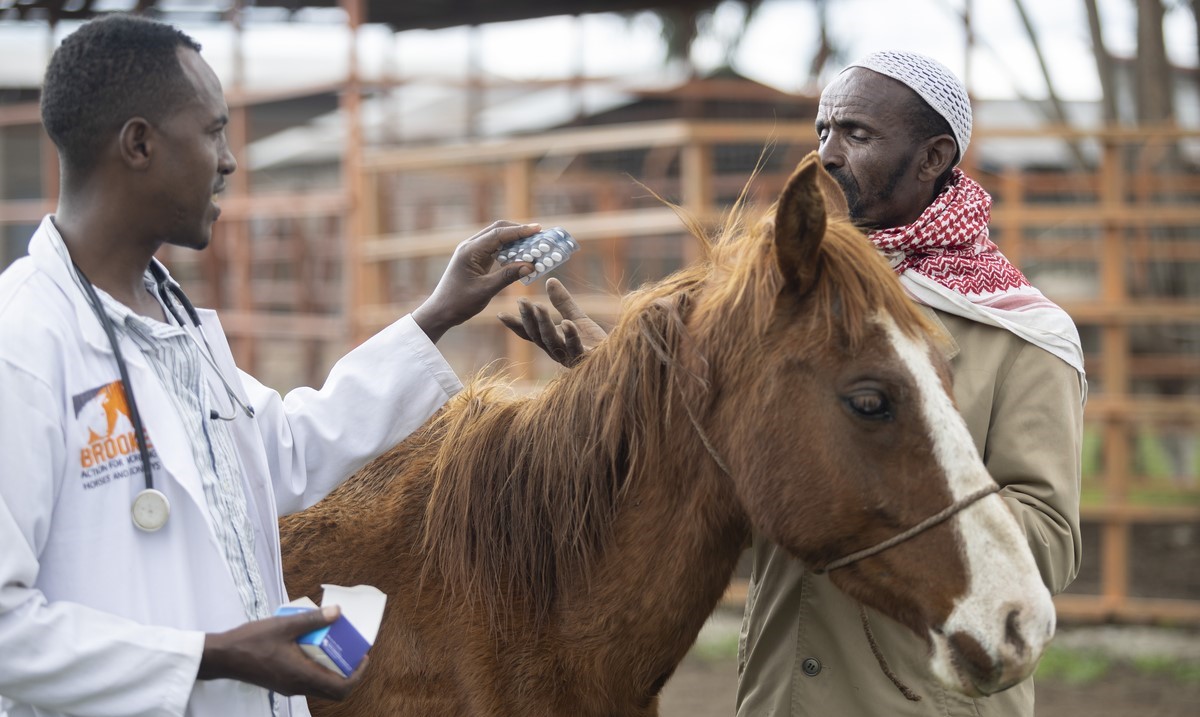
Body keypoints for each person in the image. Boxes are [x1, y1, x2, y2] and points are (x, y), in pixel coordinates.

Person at [502, 51, 1085, 716]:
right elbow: (728, 477)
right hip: (780, 693)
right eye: (822, 132)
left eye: (857, 135)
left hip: (922, 696)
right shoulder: (792, 306)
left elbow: (1050, 539)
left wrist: (889, 494)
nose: (828, 155)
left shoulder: (1023, 333)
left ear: (933, 157)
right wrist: (633, 388)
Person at [0, 14, 539, 717]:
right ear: (139, 144)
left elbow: (281, 449)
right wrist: (213, 654)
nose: (228, 159)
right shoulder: (23, 344)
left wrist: (438, 312)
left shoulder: (174, 321)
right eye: (213, 131)